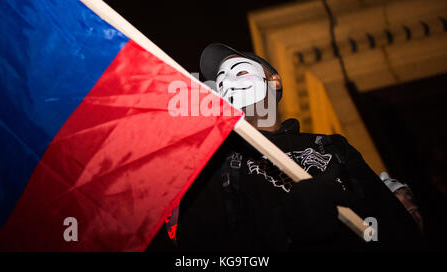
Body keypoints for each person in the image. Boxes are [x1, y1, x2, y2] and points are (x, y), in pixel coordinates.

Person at [148, 43, 422, 252]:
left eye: (239, 71)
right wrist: (284, 230)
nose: (227, 83)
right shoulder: (214, 169)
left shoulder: (332, 147)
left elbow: (393, 227)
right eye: (219, 82)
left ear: (274, 81)